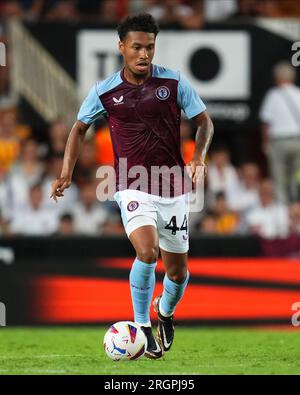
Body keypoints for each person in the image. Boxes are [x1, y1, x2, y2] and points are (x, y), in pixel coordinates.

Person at [50, 13, 213, 359]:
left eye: (150, 47)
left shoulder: (174, 82)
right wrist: (66, 171)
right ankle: (141, 327)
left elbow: (204, 122)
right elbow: (79, 128)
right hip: (132, 184)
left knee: (178, 273)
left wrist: (198, 157)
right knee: (146, 252)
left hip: (173, 186)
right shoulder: (105, 91)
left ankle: (164, 313)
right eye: (136, 47)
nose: (144, 54)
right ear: (121, 47)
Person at [259, 61, 300, 203]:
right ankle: (296, 203)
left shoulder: (273, 95)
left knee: (279, 177)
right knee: (296, 176)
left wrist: (265, 143)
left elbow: (266, 121)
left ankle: (283, 208)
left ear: (277, 77)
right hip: (297, 140)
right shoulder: (298, 94)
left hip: (279, 142)